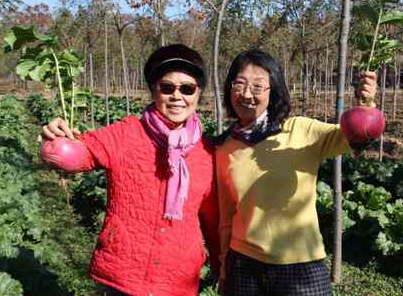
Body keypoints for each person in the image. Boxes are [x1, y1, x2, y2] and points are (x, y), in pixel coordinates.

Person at [41, 44, 220, 296]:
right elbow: (82, 154)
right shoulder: (125, 133)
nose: (177, 96)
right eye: (167, 87)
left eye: (187, 88)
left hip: (178, 279)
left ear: (198, 93)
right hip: (123, 277)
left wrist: (220, 264)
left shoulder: (207, 152)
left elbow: (213, 220)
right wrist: (56, 140)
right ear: (153, 90)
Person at [214, 49, 378, 296]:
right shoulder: (225, 147)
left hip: (301, 268)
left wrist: (366, 106)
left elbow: (352, 136)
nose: (247, 94)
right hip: (244, 266)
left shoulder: (300, 131)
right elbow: (226, 217)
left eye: (258, 87)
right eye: (239, 84)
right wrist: (224, 265)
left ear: (274, 91)